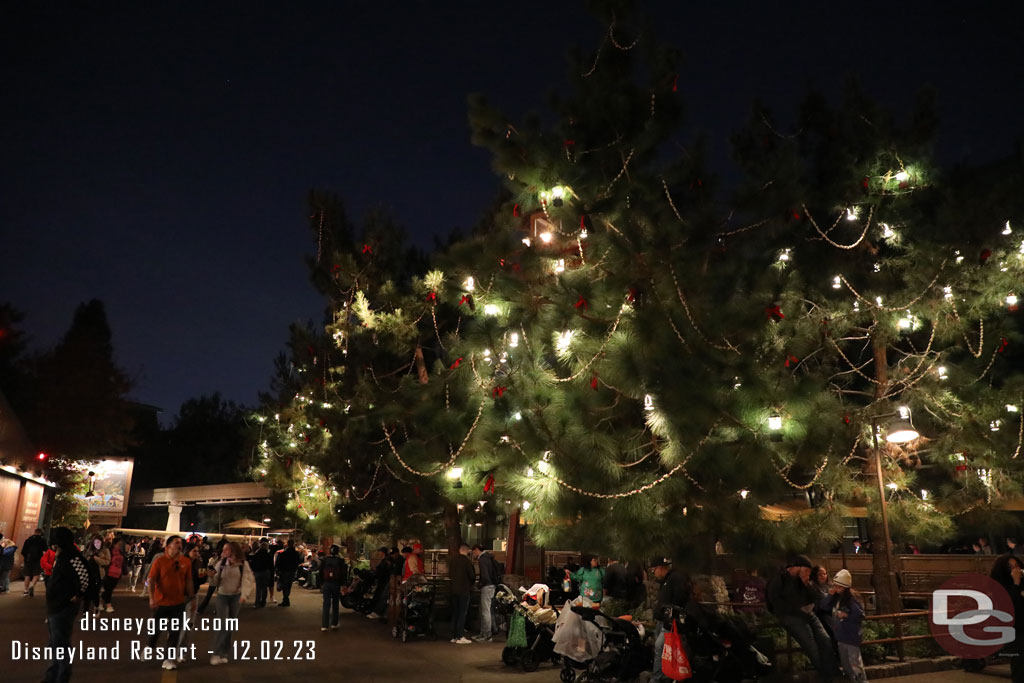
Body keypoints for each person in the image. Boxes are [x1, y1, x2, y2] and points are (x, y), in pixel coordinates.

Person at [766, 555, 838, 683]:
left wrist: (806, 585)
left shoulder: (802, 580)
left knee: (825, 639)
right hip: (792, 617)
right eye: (805, 570)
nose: (807, 574)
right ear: (796, 567)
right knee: (811, 645)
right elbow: (776, 602)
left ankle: (832, 670)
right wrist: (796, 609)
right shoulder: (780, 579)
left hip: (808, 614)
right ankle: (827, 675)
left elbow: (813, 597)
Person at [43, 527, 90, 683]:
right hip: (55, 608)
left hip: (63, 609)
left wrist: (77, 595)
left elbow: (84, 578)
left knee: (60, 644)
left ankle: (61, 677)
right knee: (55, 644)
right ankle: (53, 676)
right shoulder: (63, 557)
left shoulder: (73, 558)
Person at [147, 535, 194, 671]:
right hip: (161, 602)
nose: (179, 545)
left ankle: (168, 659)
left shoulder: (186, 561)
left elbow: (189, 580)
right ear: (168, 547)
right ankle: (150, 646)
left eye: (180, 543)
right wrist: (151, 598)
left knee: (174, 633)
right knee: (156, 630)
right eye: (176, 543)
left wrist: (191, 598)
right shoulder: (159, 561)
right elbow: (151, 580)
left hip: (179, 603)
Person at [207, 541, 253, 665]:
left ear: (233, 551)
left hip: (236, 597)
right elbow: (215, 581)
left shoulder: (243, 564)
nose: (223, 552)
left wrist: (244, 596)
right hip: (222, 596)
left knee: (230, 626)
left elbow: (247, 581)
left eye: (226, 550)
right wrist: (211, 575)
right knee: (223, 624)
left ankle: (224, 653)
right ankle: (216, 653)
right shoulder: (221, 564)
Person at [649, 557, 691, 683]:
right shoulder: (667, 580)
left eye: (653, 570)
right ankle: (665, 675)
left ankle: (656, 679)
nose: (653, 573)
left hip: (669, 621)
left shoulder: (675, 578)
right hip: (662, 620)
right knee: (662, 651)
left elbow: (680, 598)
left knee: (660, 646)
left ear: (660, 568)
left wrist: (671, 614)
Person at [991, 554, 1024, 683]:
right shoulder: (1000, 588)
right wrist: (1016, 583)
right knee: (1020, 665)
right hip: (1016, 631)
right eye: (1011, 567)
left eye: (1017, 566)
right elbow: (1011, 604)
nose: (1015, 569)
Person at [831, 569, 867, 683]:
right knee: (847, 665)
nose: (837, 589)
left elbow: (860, 615)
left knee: (854, 664)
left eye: (839, 587)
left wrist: (847, 616)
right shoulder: (840, 599)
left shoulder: (851, 600)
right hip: (842, 636)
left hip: (850, 637)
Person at [472, 544, 500, 641]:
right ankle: (484, 633)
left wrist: (480, 584)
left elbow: (485, 575)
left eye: (473, 552)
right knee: (487, 609)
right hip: (492, 585)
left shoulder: (482, 559)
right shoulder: (489, 557)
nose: (473, 554)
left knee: (485, 611)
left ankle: (487, 635)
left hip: (487, 586)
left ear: (476, 550)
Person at [449, 543, 475, 644]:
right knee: (462, 613)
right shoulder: (466, 561)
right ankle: (460, 636)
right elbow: (472, 575)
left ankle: (454, 636)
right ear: (467, 551)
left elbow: (450, 574)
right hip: (464, 590)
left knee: (455, 613)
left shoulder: (453, 561)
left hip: (453, 589)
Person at [320, 544, 347, 631]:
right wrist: (343, 584)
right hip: (336, 584)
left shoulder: (325, 559)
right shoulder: (340, 561)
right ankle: (334, 623)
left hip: (326, 584)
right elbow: (343, 574)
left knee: (326, 604)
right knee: (335, 604)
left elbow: (320, 571)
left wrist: (321, 583)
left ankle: (324, 625)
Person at [100, 538, 125, 613]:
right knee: (109, 589)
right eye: (119, 544)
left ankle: (100, 600)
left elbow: (123, 563)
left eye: (121, 545)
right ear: (114, 544)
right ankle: (108, 605)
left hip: (117, 573)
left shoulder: (120, 552)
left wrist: (124, 571)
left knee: (110, 589)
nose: (120, 546)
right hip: (109, 573)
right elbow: (106, 561)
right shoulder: (109, 551)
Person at [21, 527, 48, 596]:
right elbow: (46, 550)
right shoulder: (42, 540)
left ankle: (26, 591)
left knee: (27, 575)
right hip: (38, 560)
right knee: (36, 574)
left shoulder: (28, 540)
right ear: (40, 533)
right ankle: (32, 585)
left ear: (34, 532)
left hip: (28, 560)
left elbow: (23, 551)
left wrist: (26, 558)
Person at [275, 539, 301, 606]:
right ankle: (286, 598)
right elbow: (298, 561)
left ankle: (285, 599)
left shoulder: (284, 553)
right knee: (289, 585)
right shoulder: (296, 553)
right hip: (292, 570)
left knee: (285, 585)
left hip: (285, 571)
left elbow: (279, 562)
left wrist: (278, 570)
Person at [248, 539, 273, 608]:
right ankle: (263, 602)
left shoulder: (257, 555)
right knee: (264, 588)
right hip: (266, 572)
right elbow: (271, 565)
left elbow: (252, 563)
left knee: (258, 588)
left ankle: (257, 602)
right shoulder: (268, 555)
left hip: (258, 572)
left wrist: (254, 570)